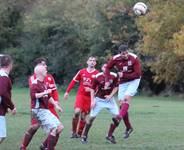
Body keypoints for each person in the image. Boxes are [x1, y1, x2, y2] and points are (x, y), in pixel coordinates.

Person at [20, 58, 61, 150]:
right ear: (38, 67)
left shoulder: (49, 77)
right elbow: (35, 94)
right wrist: (45, 93)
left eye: (45, 65)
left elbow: (54, 91)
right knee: (35, 126)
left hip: (49, 107)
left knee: (58, 127)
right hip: (38, 107)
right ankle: (23, 146)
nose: (45, 66)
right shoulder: (33, 79)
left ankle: (46, 146)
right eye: (43, 65)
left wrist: (56, 102)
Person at [105, 44, 142, 141]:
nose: (125, 55)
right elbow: (107, 68)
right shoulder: (115, 59)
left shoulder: (134, 58)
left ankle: (118, 118)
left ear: (128, 51)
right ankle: (129, 127)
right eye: (123, 54)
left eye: (126, 53)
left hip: (134, 81)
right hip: (123, 82)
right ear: (119, 54)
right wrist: (107, 79)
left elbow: (137, 74)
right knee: (122, 105)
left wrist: (124, 75)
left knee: (126, 99)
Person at [81, 64, 119, 144]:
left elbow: (116, 87)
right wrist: (92, 101)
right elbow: (92, 90)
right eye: (104, 67)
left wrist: (110, 95)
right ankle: (84, 136)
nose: (106, 68)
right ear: (102, 68)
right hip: (98, 100)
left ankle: (109, 135)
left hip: (110, 100)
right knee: (91, 118)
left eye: (107, 67)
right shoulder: (97, 76)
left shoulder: (114, 75)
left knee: (118, 118)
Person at [64, 56, 99, 138]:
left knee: (83, 116)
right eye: (90, 60)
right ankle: (73, 131)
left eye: (94, 61)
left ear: (95, 63)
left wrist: (91, 90)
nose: (92, 62)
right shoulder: (82, 71)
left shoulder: (97, 74)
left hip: (90, 98)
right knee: (77, 112)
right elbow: (73, 81)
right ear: (87, 62)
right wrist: (67, 92)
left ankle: (79, 134)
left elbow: (98, 88)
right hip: (81, 95)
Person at [0, 54, 16, 144]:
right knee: (2, 135)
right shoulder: (4, 77)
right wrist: (12, 106)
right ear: (9, 65)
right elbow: (3, 93)